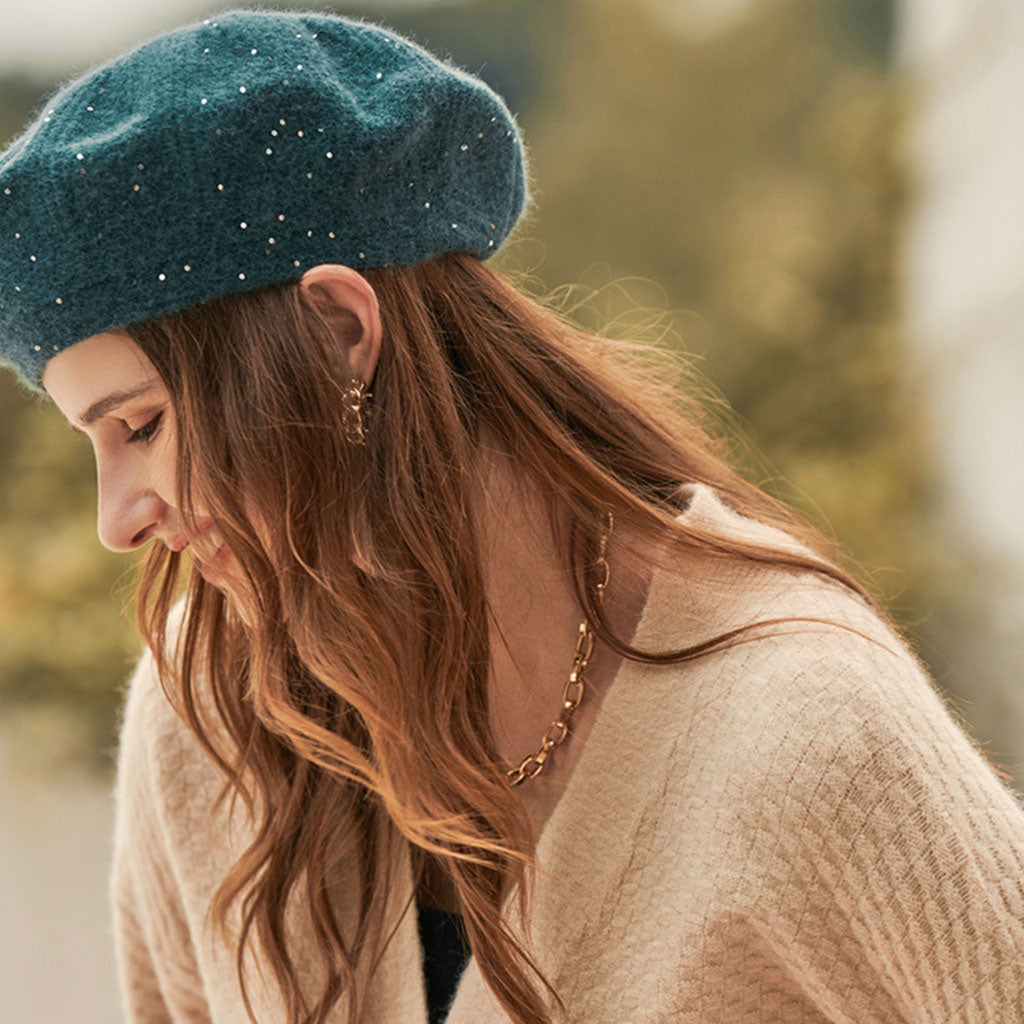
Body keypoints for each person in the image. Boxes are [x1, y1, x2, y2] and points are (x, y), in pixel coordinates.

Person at [1, 9, 1022, 1024]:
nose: (117, 522)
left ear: (339, 329)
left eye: (140, 425)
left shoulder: (802, 733)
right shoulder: (210, 714)